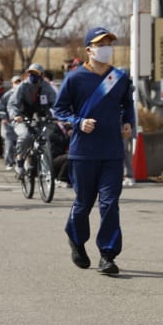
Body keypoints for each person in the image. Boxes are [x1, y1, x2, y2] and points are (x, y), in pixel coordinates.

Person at [53, 27, 134, 277]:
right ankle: (76, 239)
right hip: (84, 152)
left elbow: (127, 104)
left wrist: (128, 121)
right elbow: (59, 109)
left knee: (110, 204)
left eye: (110, 43)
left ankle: (107, 255)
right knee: (84, 204)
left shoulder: (119, 78)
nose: (106, 48)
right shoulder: (75, 78)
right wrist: (78, 122)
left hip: (112, 151)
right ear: (89, 49)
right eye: (101, 44)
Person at [10, 63, 58, 176]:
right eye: (30, 73)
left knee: (45, 141)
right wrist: (15, 115)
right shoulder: (22, 86)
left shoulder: (47, 87)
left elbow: (55, 104)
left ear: (41, 75)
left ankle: (47, 172)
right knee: (25, 136)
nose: (33, 76)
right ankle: (20, 159)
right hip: (23, 118)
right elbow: (12, 104)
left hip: (41, 118)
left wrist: (58, 115)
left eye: (36, 73)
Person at [0, 75, 22, 170]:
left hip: (20, 122)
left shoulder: (24, 93)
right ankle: (9, 162)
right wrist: (4, 117)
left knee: (21, 143)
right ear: (12, 84)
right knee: (10, 144)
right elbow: (1, 108)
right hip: (9, 123)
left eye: (19, 81)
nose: (18, 84)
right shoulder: (7, 95)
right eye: (16, 82)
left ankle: (19, 162)